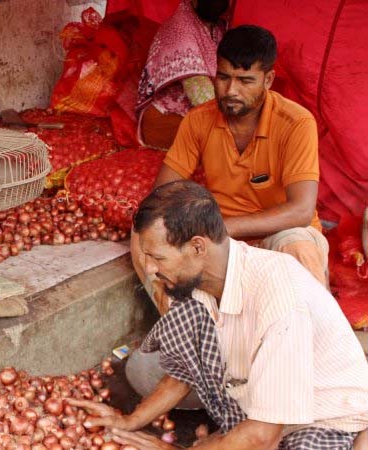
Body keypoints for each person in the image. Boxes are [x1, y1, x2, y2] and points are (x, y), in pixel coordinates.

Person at [72, 181, 368, 449]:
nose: (149, 269)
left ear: (198, 247)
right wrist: (130, 421)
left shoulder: (279, 296)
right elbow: (183, 371)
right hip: (258, 410)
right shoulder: (192, 284)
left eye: (158, 258)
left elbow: (263, 434)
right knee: (145, 370)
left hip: (324, 419)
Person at [132, 24, 329, 318]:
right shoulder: (198, 120)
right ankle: (187, 329)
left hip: (275, 235)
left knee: (297, 245)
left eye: (245, 81)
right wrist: (183, 230)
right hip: (223, 242)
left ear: (269, 80)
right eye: (223, 78)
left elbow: (301, 211)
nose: (231, 91)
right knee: (143, 230)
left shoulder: (296, 122)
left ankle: (316, 340)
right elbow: (162, 195)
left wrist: (223, 228)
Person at [136, 0, 229, 149]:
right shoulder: (180, 28)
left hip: (200, 113)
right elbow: (200, 93)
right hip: (165, 120)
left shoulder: (218, 27)